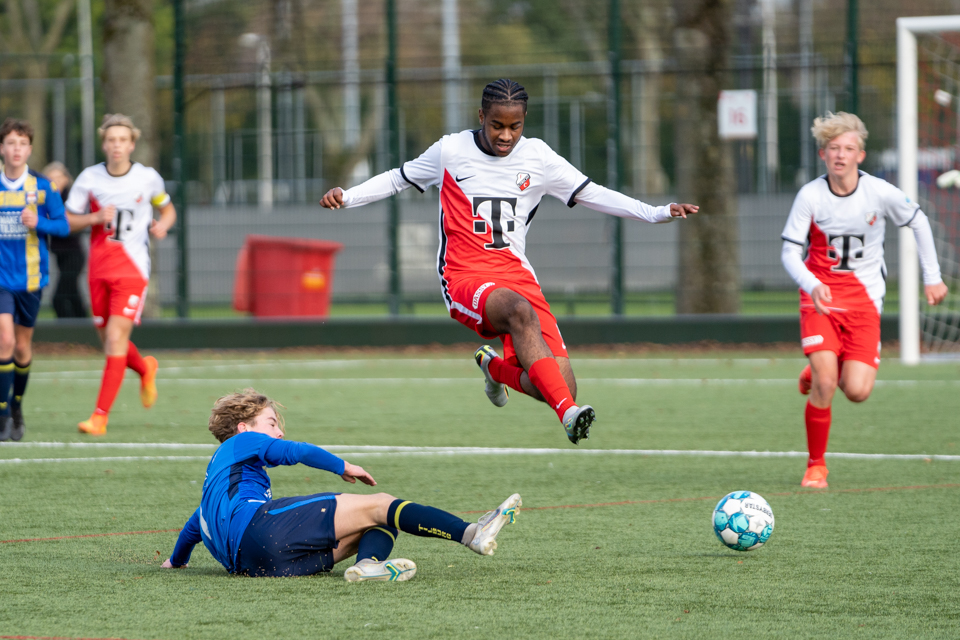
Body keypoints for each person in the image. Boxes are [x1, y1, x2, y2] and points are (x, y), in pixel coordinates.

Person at [320, 79, 698, 445]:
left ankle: (495, 368)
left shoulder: (538, 157)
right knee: (522, 317)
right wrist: (347, 196)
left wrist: (657, 212)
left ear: (524, 122)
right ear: (481, 115)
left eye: (515, 126)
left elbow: (592, 193)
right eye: (497, 125)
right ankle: (568, 415)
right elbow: (396, 179)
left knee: (556, 385)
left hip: (516, 274)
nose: (505, 135)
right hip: (464, 275)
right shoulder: (450, 151)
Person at [161, 389, 521, 581]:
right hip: (260, 531)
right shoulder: (237, 443)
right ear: (244, 428)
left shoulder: (218, 488)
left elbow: (193, 528)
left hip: (257, 567)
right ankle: (471, 532)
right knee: (379, 503)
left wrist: (176, 563)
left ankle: (368, 566)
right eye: (271, 422)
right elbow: (295, 450)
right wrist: (342, 466)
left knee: (375, 521)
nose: (279, 430)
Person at [781, 112, 948, 488]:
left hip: (864, 303)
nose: (841, 155)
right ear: (823, 154)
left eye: (849, 149)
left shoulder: (880, 192)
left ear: (861, 155)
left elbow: (919, 221)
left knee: (856, 391)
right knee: (827, 383)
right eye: (834, 148)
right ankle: (816, 465)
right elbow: (790, 253)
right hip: (819, 301)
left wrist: (932, 277)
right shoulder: (809, 195)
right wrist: (811, 285)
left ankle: (821, 367)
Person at [65, 114, 176, 436]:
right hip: (98, 270)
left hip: (132, 270)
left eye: (122, 140)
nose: (116, 145)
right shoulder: (89, 179)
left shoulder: (147, 178)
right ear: (104, 143)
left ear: (132, 144)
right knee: (110, 342)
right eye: (111, 140)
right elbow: (69, 220)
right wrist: (95, 217)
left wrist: (162, 225)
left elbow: (166, 208)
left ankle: (99, 417)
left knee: (115, 338)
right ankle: (145, 367)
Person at [0, 118, 70, 441]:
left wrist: (38, 222)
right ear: (2, 148)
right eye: (11, 143)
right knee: (5, 340)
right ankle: (1, 415)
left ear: (29, 148)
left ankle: (16, 407)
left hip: (30, 278)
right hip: (1, 278)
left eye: (22, 143)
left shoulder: (43, 187)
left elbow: (64, 226)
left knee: (23, 346)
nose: (16, 149)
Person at [43, 162, 88, 319]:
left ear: (66, 179)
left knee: (59, 298)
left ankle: (67, 332)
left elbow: (68, 222)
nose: (54, 181)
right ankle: (86, 331)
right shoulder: (47, 198)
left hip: (74, 255)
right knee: (74, 295)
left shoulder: (71, 199)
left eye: (58, 177)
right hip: (61, 255)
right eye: (50, 178)